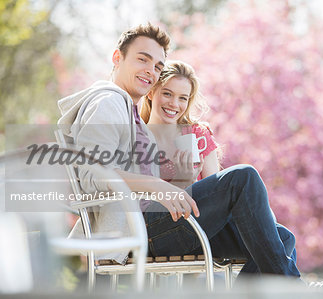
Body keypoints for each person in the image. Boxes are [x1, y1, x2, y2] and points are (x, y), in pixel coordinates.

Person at [57, 22, 301, 278]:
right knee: (242, 178)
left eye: (157, 66)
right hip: (135, 231)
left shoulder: (130, 112)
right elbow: (91, 175)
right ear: (118, 58)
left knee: (281, 237)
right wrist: (155, 184)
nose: (150, 71)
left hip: (153, 224)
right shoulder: (108, 102)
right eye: (143, 59)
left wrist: (176, 182)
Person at [140, 60, 220, 189]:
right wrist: (181, 182)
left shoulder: (198, 134)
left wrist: (193, 184)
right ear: (150, 92)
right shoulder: (137, 140)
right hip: (162, 209)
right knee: (245, 173)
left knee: (245, 173)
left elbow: (217, 194)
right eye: (167, 94)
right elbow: (143, 205)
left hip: (203, 209)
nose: (174, 104)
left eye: (182, 98)